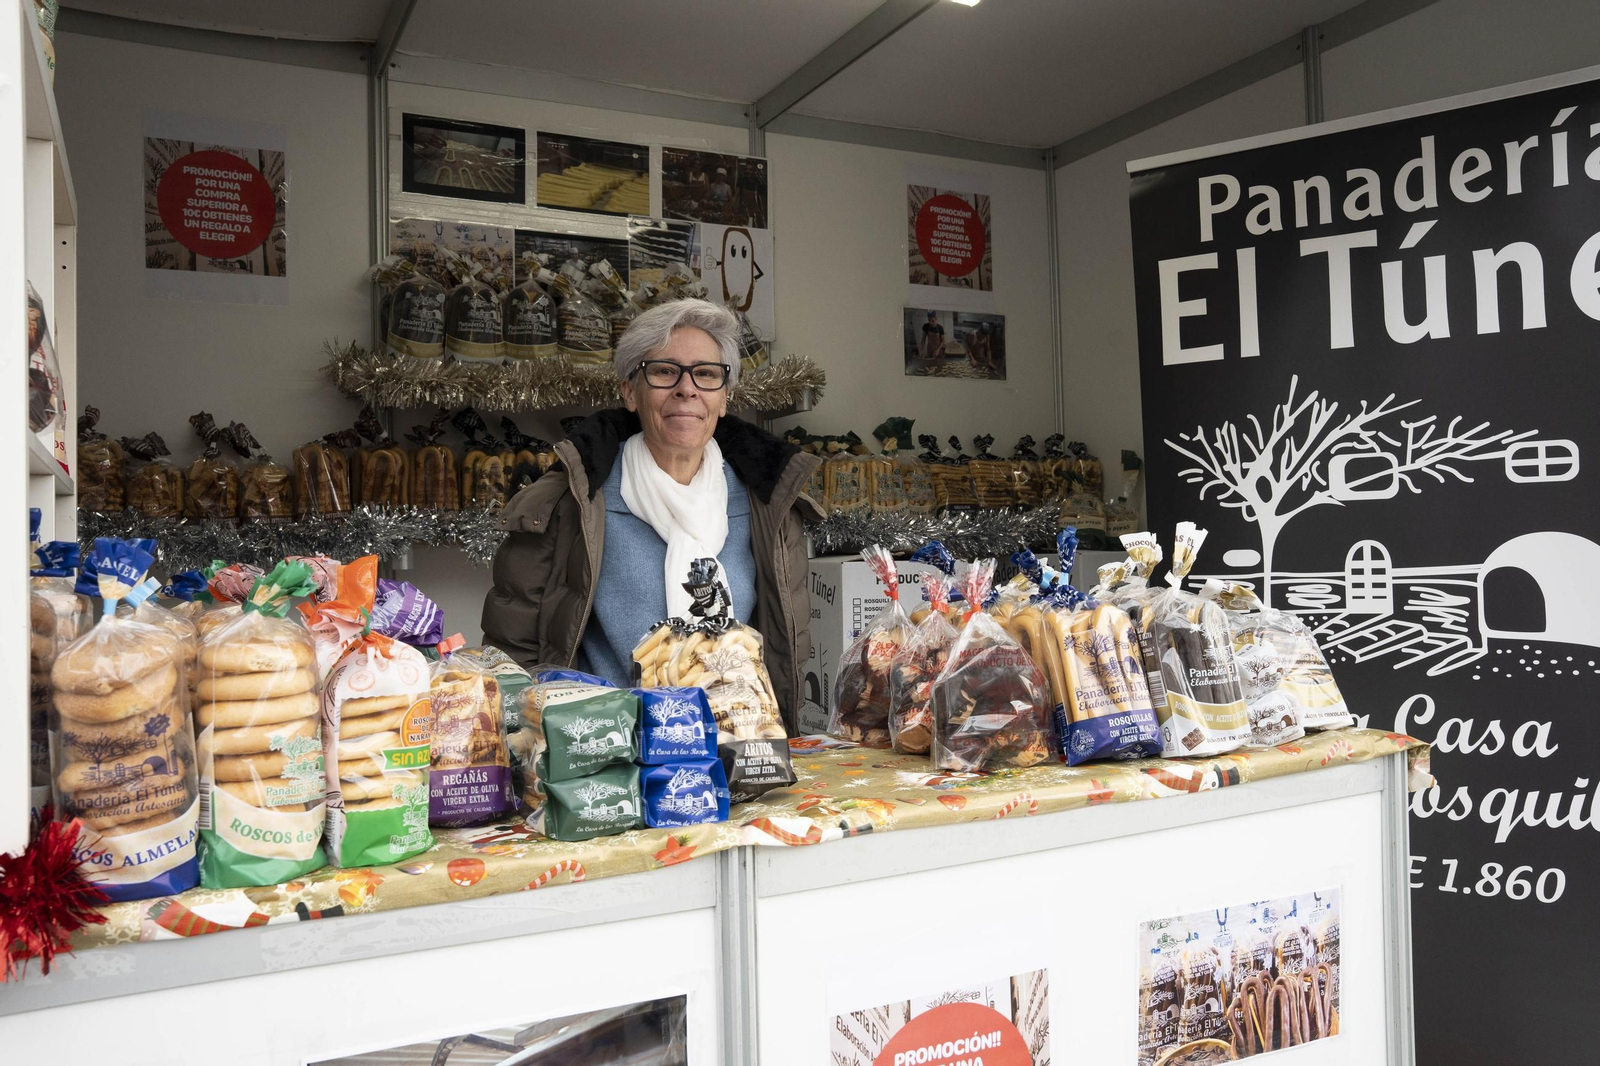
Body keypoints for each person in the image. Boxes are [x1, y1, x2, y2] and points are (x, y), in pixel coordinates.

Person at [482, 298, 821, 730]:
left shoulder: (768, 505)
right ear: (630, 391)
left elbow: (783, 648)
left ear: (724, 397)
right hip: (606, 751)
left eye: (706, 374)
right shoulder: (575, 502)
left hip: (739, 744)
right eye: (664, 371)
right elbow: (513, 655)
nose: (687, 389)